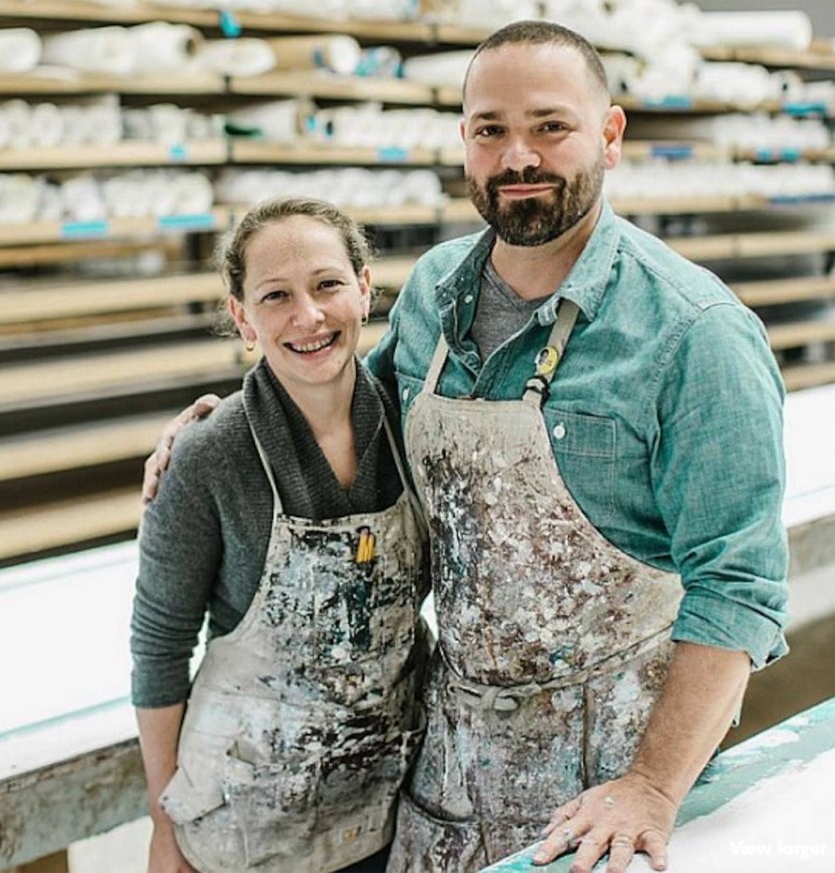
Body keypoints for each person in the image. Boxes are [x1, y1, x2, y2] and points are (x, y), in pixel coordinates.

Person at [144, 21, 789, 873]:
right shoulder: (431, 298)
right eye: (491, 129)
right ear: (465, 144)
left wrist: (653, 788)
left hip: (610, 799)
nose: (518, 155)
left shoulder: (693, 335)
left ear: (610, 133)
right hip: (450, 775)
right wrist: (213, 426)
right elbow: (341, 405)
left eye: (549, 126)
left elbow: (738, 589)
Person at [130, 197, 430, 873]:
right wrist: (163, 821)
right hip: (247, 829)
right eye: (275, 296)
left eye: (327, 284)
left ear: (364, 285)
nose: (308, 316)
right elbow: (159, 644)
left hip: (386, 811)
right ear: (242, 316)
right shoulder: (210, 456)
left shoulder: (415, 420)